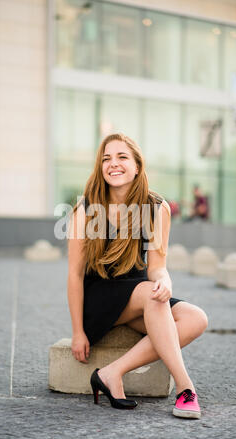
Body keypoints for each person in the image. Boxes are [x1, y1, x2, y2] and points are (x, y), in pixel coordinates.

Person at [67, 133, 208, 419]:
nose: (113, 164)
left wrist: (165, 281)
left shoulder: (157, 208)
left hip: (138, 293)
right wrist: (77, 331)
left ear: (137, 166)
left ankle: (111, 372)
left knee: (196, 318)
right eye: (106, 158)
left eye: (122, 157)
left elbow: (157, 266)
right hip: (99, 298)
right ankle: (185, 389)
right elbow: (74, 274)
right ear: (100, 166)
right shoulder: (85, 210)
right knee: (151, 296)